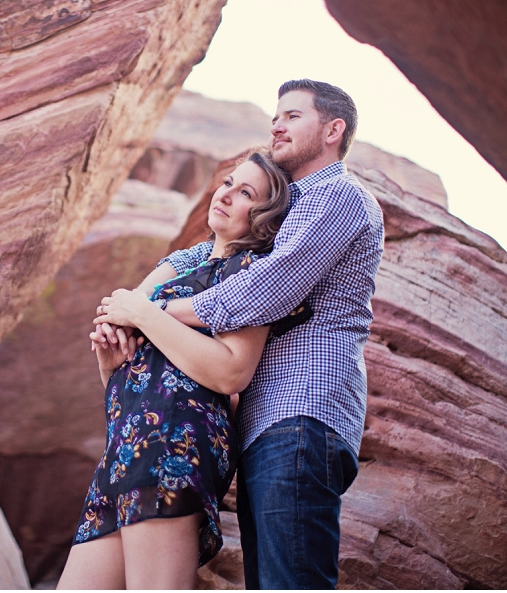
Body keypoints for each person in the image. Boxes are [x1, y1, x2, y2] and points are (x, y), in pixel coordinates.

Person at [112, 79, 385, 589]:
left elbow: (270, 288)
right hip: (268, 422)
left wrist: (157, 312)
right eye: (275, 117)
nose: (277, 125)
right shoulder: (286, 211)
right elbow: (215, 257)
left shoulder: (339, 197)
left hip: (305, 410)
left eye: (293, 116)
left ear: (333, 129)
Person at [56, 149, 294, 590]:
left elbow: (231, 374)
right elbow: (143, 384)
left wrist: (144, 314)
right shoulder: (185, 270)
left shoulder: (251, 271)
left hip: (172, 447)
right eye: (228, 183)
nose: (226, 194)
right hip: (125, 449)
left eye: (246, 193)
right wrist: (110, 363)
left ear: (265, 217)